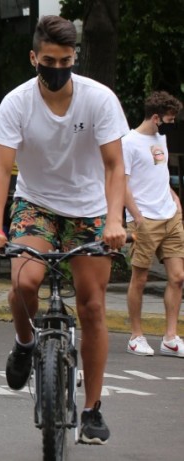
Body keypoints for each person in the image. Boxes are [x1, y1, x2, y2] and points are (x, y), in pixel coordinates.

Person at [0, 16, 128, 445]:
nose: (57, 68)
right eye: (49, 60)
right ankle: (25, 344)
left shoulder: (99, 100)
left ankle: (92, 409)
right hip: (36, 205)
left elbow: (115, 165)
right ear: (34, 58)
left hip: (90, 210)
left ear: (75, 59)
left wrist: (117, 221)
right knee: (25, 282)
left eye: (66, 60)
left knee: (92, 306)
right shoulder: (16, 102)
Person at [123, 91, 184, 357]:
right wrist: (136, 218)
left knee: (179, 277)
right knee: (140, 278)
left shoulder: (161, 138)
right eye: (169, 120)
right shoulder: (129, 142)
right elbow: (121, 184)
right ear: (156, 117)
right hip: (144, 219)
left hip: (170, 216)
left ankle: (170, 338)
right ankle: (136, 336)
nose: (172, 124)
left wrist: (175, 200)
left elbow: (159, 172)